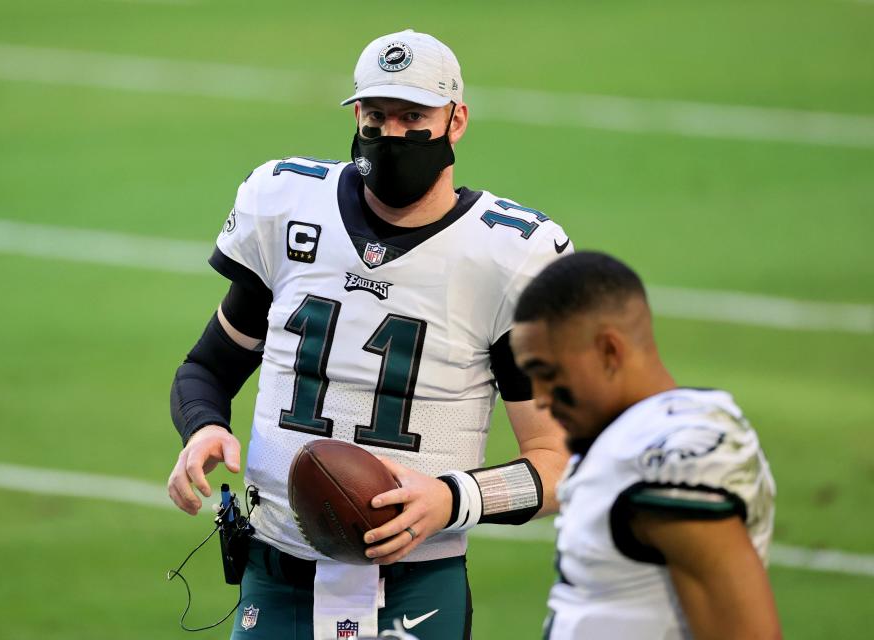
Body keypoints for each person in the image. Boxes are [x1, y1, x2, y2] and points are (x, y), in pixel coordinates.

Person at [167, 29, 573, 640]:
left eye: (414, 116)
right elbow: (207, 368)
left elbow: (561, 465)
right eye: (376, 115)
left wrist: (450, 498)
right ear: (356, 114)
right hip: (275, 571)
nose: (391, 134)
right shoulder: (287, 205)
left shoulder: (506, 255)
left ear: (455, 120)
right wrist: (203, 426)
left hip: (415, 583)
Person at [509, 251, 781, 640]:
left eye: (548, 373)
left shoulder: (668, 460)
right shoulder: (628, 437)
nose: (540, 398)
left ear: (609, 351)